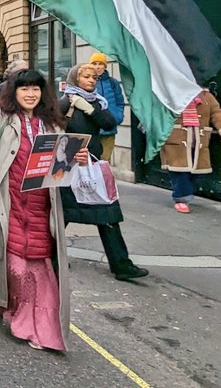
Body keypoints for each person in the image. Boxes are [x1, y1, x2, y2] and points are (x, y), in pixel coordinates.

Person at [0, 29, 84, 352]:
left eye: (34, 89)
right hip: (11, 208)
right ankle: (18, 319)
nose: (29, 94)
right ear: (14, 93)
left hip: (43, 212)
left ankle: (43, 330)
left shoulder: (53, 125)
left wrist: (77, 157)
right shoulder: (2, 120)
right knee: (16, 271)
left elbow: (61, 167)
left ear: (41, 93)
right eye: (24, 89)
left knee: (42, 276)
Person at [59, 64, 148, 281]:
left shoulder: (98, 101)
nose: (91, 81)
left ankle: (121, 265)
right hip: (69, 163)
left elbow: (109, 122)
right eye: (86, 77)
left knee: (107, 213)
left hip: (93, 163)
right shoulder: (64, 102)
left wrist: (90, 109)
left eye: (94, 78)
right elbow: (51, 131)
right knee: (60, 215)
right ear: (75, 79)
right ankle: (51, 258)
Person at [160, 89, 221, 213]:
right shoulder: (171, 94)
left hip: (198, 142)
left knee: (196, 170)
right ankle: (181, 198)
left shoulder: (206, 96)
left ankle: (183, 190)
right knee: (179, 171)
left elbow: (217, 112)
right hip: (176, 141)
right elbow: (157, 112)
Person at [88, 53, 126, 162]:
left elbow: (120, 102)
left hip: (109, 128)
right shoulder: (88, 82)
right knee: (93, 161)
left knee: (104, 161)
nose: (98, 66)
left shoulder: (113, 83)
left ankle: (104, 179)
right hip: (93, 129)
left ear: (105, 66)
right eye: (94, 63)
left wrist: (117, 117)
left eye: (100, 64)